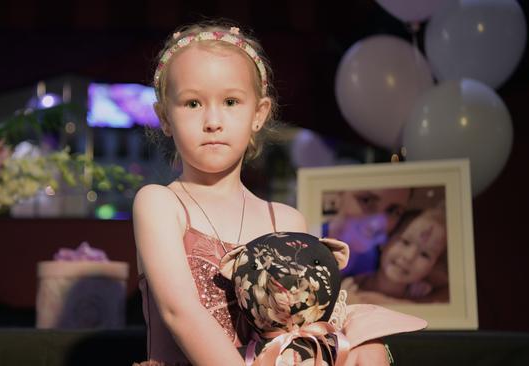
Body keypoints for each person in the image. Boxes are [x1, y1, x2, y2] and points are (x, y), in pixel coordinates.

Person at [133, 21, 392, 365]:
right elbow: (180, 312)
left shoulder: (286, 219)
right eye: (192, 103)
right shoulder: (160, 203)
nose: (213, 120)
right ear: (165, 117)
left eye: (230, 101)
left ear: (259, 113)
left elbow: (308, 324)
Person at [342, 202, 449, 304]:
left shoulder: (424, 294)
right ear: (384, 241)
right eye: (405, 242)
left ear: (432, 267)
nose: (409, 257)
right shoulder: (351, 286)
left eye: (425, 254)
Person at [322, 188, 412, 277]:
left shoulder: (378, 261)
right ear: (341, 193)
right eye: (366, 200)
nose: (376, 225)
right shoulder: (311, 239)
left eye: (394, 211)